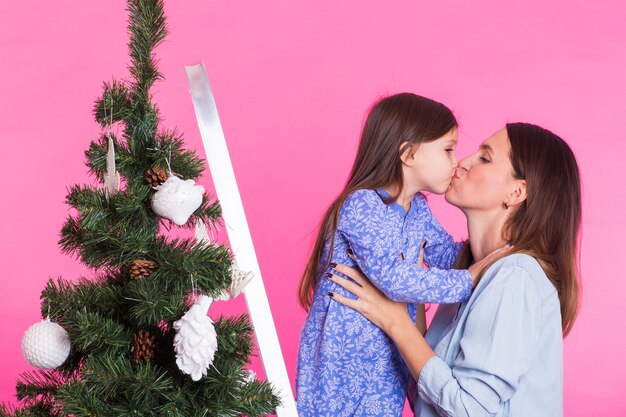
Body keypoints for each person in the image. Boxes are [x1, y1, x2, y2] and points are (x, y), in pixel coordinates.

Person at [327, 123, 581, 417]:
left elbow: (469, 410)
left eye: (484, 158)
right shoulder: (465, 276)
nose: (462, 162)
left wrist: (397, 323)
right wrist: (409, 300)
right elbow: (429, 396)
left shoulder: (515, 277)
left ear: (516, 191)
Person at [296, 93, 492, 416]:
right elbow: (392, 278)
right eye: (447, 150)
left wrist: (495, 245)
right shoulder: (361, 206)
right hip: (340, 364)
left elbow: (447, 255)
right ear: (409, 154)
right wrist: (466, 281)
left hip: (386, 365)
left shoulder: (418, 211)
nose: (456, 162)